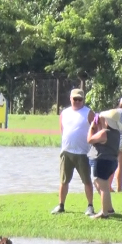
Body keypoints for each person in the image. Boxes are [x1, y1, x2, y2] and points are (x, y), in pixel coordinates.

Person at [52, 88, 96, 216]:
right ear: (70, 99)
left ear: (83, 100)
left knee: (87, 180)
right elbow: (62, 130)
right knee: (64, 180)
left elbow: (96, 129)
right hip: (66, 152)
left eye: (79, 99)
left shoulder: (89, 113)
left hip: (83, 153)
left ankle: (90, 206)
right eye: (74, 99)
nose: (77, 101)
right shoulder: (64, 113)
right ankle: (61, 205)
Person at [87, 112, 121, 219]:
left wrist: (92, 127)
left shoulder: (104, 133)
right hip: (111, 161)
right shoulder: (116, 132)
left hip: (102, 161)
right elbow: (103, 137)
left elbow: (89, 139)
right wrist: (101, 124)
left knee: (103, 188)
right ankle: (109, 208)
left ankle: (104, 213)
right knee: (101, 184)